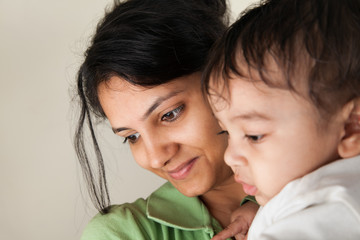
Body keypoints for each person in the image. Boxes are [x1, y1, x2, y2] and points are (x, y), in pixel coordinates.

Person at [75, 0, 258, 239]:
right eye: (132, 136)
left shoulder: (314, 181)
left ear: (224, 77)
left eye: (169, 114)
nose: (156, 157)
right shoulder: (124, 233)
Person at [203, 0, 360, 239]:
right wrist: (264, 216)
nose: (229, 156)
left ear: (351, 127)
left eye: (254, 135)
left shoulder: (332, 212)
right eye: (226, 132)